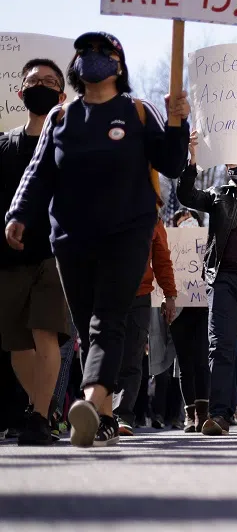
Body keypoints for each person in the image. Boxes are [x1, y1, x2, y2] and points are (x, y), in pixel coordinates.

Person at [5, 31, 190, 447]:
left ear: (119, 66)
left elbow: (174, 163)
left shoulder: (139, 113)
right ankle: (103, 419)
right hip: (71, 239)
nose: (94, 58)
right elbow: (38, 174)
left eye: (104, 52)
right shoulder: (60, 118)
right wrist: (18, 213)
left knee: (109, 318)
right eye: (86, 52)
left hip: (126, 235)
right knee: (88, 328)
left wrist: (179, 121)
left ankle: (88, 402)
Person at [177, 134, 237, 436]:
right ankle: (219, 415)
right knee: (221, 348)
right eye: (233, 160)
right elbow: (186, 195)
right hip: (223, 280)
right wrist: (191, 159)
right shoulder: (217, 194)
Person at [0, 58, 69, 446]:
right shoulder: (5, 145)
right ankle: (41, 407)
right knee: (17, 347)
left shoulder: (70, 149)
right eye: (33, 81)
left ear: (61, 95)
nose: (39, 86)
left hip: (54, 255)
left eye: (48, 81)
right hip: (9, 259)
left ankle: (40, 416)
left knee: (46, 335)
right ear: (20, 92)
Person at [114, 218, 177, 436]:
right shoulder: (104, 202)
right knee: (103, 353)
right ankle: (98, 409)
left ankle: (122, 415)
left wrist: (170, 294)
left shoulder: (152, 217)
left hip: (139, 296)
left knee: (132, 358)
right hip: (104, 293)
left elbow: (162, 259)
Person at [167, 208, 210, 432]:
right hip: (179, 311)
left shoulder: (207, 243)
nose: (186, 223)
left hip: (202, 310)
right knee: (184, 366)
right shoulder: (169, 247)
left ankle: (203, 414)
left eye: (189, 219)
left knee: (202, 361)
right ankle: (190, 414)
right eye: (181, 221)